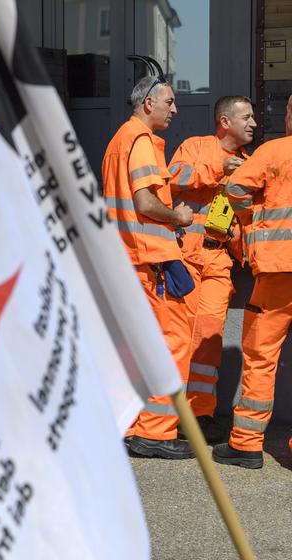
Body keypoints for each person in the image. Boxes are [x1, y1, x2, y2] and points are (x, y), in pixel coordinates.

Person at [102, 75, 195, 459]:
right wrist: (179, 217)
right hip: (149, 261)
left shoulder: (118, 141)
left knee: (137, 347)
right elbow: (145, 203)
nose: (174, 110)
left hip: (129, 259)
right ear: (148, 104)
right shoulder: (139, 141)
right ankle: (155, 433)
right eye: (169, 102)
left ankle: (135, 426)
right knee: (172, 343)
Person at [168, 96, 256, 443]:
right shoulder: (196, 146)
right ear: (224, 121)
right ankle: (167, 415)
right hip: (185, 256)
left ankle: (200, 414)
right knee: (180, 337)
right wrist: (221, 170)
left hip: (218, 259)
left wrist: (239, 239)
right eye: (246, 117)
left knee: (209, 338)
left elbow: (244, 218)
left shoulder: (249, 164)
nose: (252, 123)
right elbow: (174, 177)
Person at [212, 95, 292, 469]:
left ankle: (246, 444)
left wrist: (253, 217)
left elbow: (235, 190)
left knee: (261, 356)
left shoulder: (274, 152)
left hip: (278, 271)